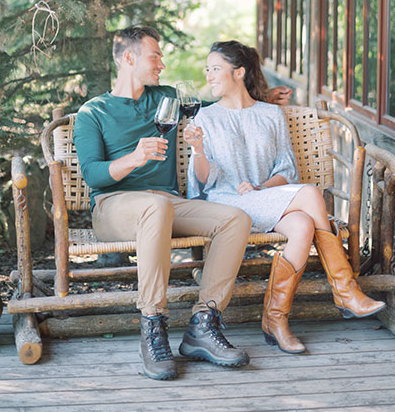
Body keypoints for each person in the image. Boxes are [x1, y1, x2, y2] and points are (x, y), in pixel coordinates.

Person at [73, 26, 291, 381]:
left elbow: (218, 104)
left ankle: (203, 325)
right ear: (129, 58)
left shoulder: (167, 98)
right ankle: (153, 326)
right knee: (156, 207)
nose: (162, 62)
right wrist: (133, 158)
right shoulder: (94, 111)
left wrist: (266, 97)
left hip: (167, 205)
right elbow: (93, 175)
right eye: (155, 55)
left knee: (234, 218)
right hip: (114, 207)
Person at [184, 40, 386, 355]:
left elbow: (287, 168)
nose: (208, 75)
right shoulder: (204, 118)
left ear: (239, 72)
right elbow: (202, 182)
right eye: (207, 69)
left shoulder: (270, 114)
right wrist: (197, 150)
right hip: (226, 206)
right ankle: (346, 291)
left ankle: (275, 319)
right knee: (309, 194)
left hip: (264, 199)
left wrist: (262, 187)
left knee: (304, 224)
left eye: (215, 69)